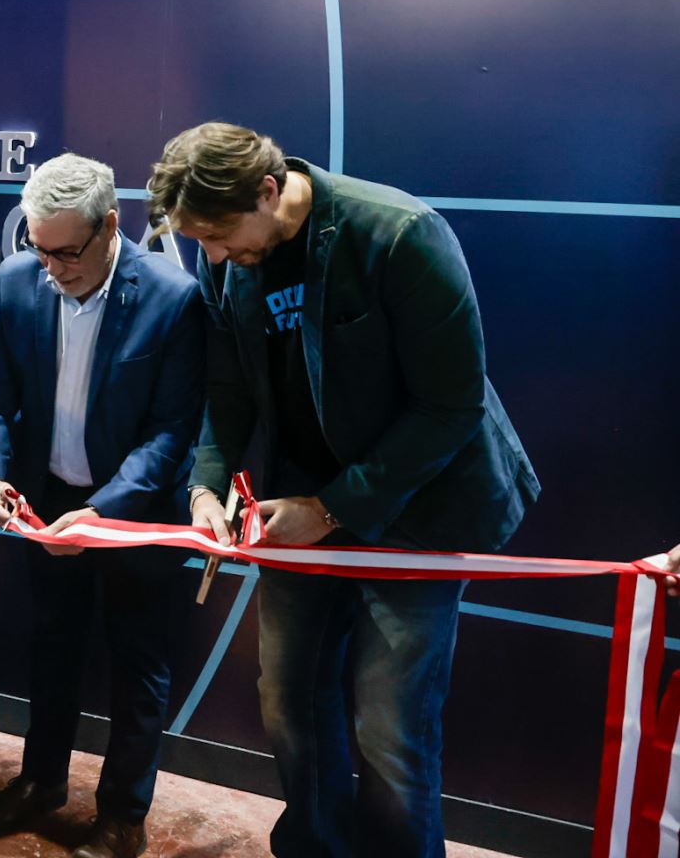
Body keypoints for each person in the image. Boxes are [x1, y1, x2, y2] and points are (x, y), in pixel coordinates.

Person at [148, 122, 541, 858]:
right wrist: (205, 487)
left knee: (390, 729)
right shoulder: (227, 256)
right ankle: (314, 847)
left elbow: (451, 406)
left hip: (415, 510)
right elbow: (227, 386)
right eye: (198, 240)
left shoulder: (399, 234)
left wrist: (332, 510)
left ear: (268, 189)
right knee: (288, 703)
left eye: (220, 233)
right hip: (300, 506)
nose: (213, 256)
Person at [0, 154, 204, 856]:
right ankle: (42, 781)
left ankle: (123, 816)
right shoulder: (17, 284)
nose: (52, 268)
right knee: (51, 653)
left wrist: (103, 512)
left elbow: (172, 434)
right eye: (38, 250)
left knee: (138, 669)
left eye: (67, 252)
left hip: (136, 515)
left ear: (110, 225)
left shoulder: (172, 296)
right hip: (47, 505)